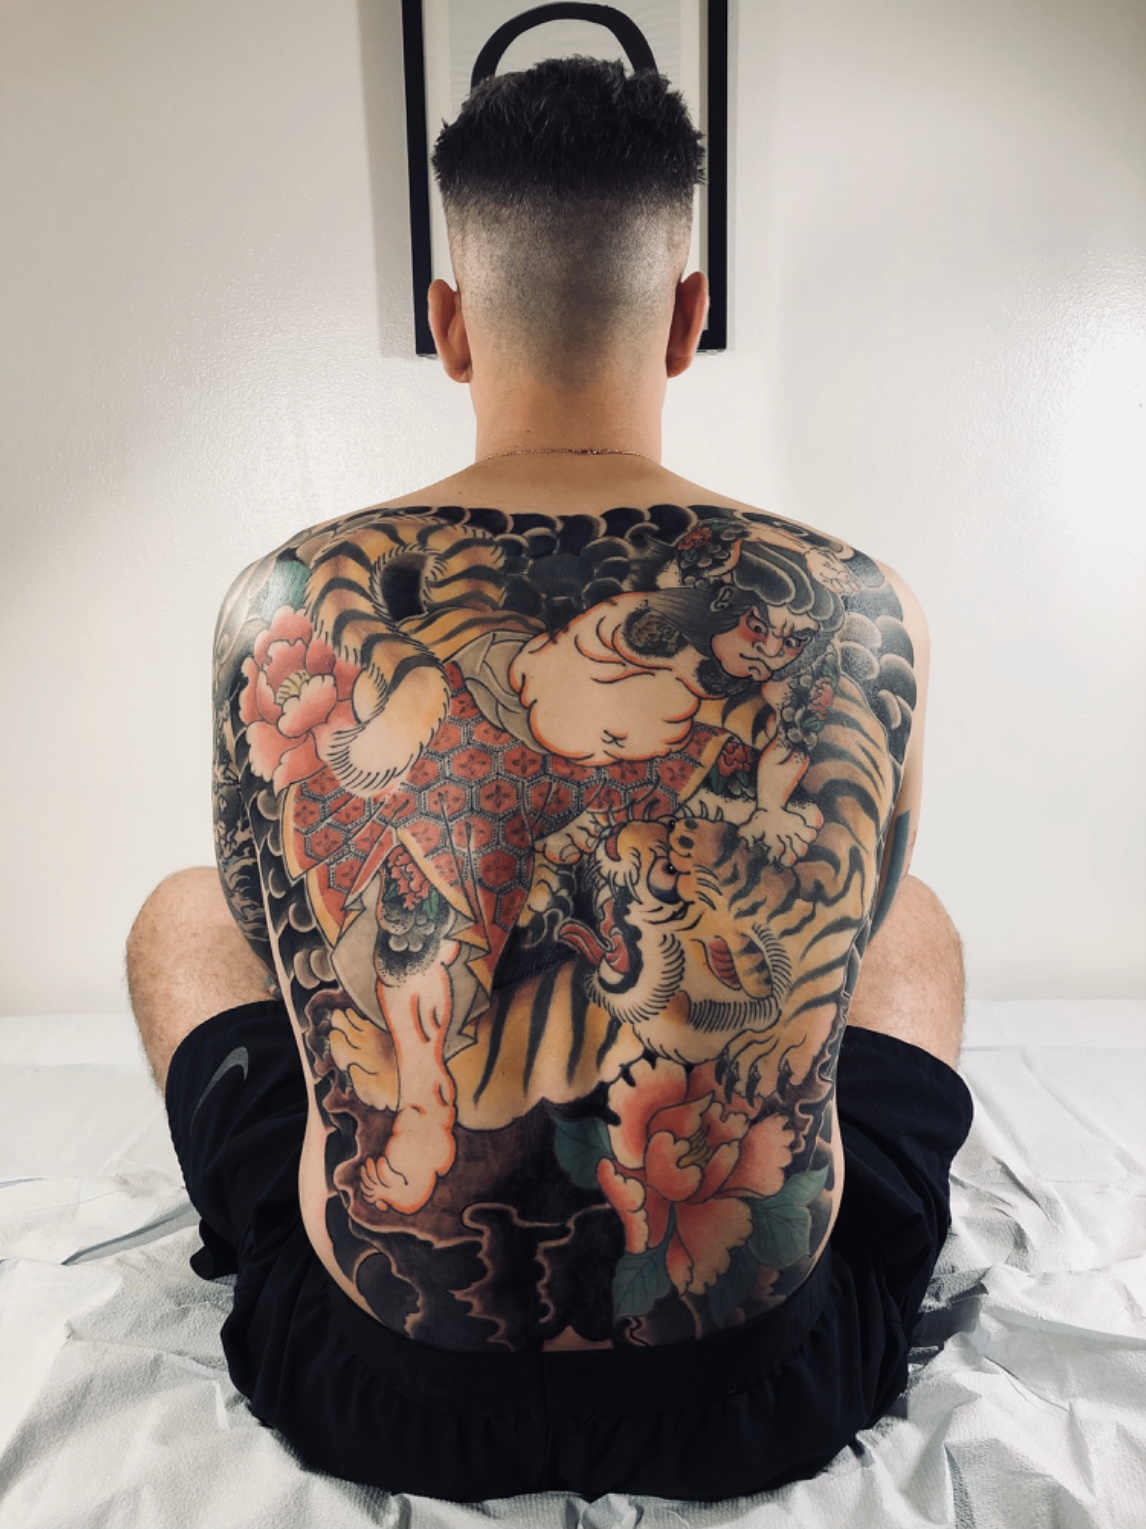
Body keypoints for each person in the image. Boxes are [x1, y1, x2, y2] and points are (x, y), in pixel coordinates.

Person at [126, 58, 971, 1502]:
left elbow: (278, 936)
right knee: (914, 923)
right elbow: (833, 931)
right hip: (761, 1388)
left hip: (374, 1388)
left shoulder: (280, 596)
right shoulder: (858, 602)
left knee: (187, 914)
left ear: (448, 325)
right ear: (687, 319)